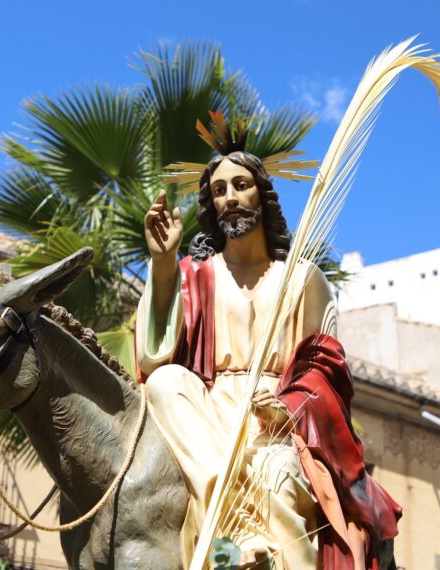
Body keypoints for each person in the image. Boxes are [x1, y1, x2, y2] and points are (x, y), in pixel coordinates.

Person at [135, 149, 401, 569]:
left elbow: (325, 371)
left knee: (274, 472)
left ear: (263, 194)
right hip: (205, 412)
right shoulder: (194, 274)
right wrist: (164, 262)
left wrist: (288, 410)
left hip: (277, 418)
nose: (230, 197)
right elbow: (153, 356)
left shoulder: (302, 280)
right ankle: (231, 538)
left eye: (241, 185)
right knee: (165, 383)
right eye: (219, 190)